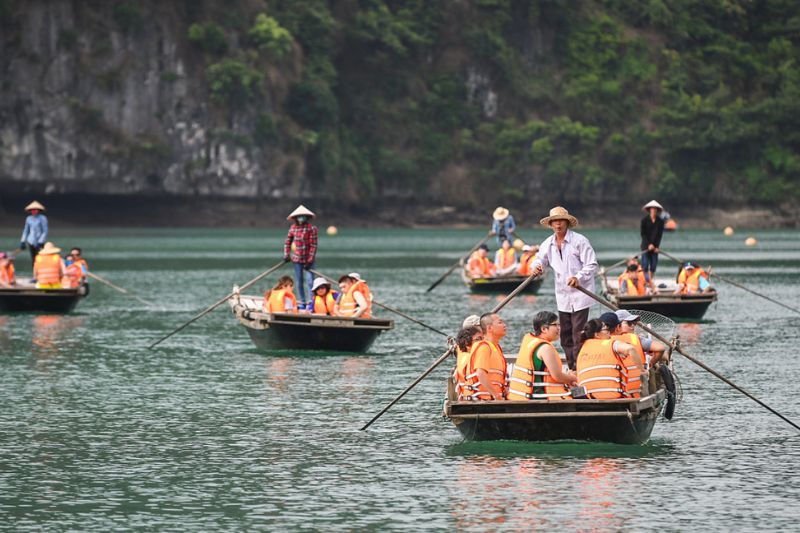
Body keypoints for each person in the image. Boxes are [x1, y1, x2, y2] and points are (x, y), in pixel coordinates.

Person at [530, 206, 598, 370]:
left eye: (561, 221)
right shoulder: (548, 243)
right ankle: (572, 365)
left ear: (567, 223)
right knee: (565, 334)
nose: (558, 224)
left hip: (581, 293)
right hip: (562, 294)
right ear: (551, 224)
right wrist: (537, 266)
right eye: (555, 222)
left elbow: (591, 264)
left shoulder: (579, 241)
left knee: (578, 333)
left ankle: (580, 367)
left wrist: (578, 277)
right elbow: (539, 259)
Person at [508, 311, 577, 401]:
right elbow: (558, 376)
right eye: (555, 325)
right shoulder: (545, 348)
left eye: (559, 325)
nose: (559, 328)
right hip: (539, 398)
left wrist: (568, 376)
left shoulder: (530, 341)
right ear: (544, 329)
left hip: (521, 397)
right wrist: (573, 378)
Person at [576, 318, 641, 399]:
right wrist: (642, 370)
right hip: (613, 399)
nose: (609, 333)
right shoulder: (612, 344)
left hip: (588, 399)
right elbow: (631, 349)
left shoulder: (581, 350)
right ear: (597, 335)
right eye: (606, 330)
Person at [598, 312, 647, 397]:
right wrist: (642, 371)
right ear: (618, 327)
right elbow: (660, 348)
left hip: (596, 394)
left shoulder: (592, 343)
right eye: (629, 323)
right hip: (623, 395)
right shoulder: (615, 343)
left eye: (634, 323)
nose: (632, 326)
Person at [463, 313, 508, 401]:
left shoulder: (496, 347)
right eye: (500, 322)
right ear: (489, 328)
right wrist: (496, 396)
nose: (504, 325)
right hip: (480, 402)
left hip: (491, 399)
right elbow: (480, 374)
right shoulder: (484, 347)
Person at [283, 205, 318, 311]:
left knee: (310, 282)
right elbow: (287, 242)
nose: (301, 218)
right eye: (299, 216)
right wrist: (286, 254)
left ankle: (311, 302)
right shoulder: (293, 228)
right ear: (295, 218)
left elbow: (313, 245)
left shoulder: (312, 228)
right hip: (297, 259)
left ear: (307, 217)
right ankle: (302, 302)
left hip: (309, 260)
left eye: (303, 216)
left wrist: (310, 260)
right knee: (299, 281)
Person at [453, 316, 484, 400]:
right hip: (478, 397)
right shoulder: (477, 348)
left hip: (469, 394)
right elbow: (481, 373)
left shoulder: (460, 347)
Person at [640, 200, 665, 286]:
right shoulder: (644, 221)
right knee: (645, 266)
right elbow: (643, 234)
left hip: (655, 248)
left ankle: (650, 282)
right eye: (652, 209)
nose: (654, 211)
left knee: (653, 266)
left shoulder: (660, 222)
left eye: (655, 210)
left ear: (657, 211)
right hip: (646, 247)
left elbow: (659, 235)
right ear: (649, 210)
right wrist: (649, 244)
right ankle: (646, 281)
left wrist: (656, 246)